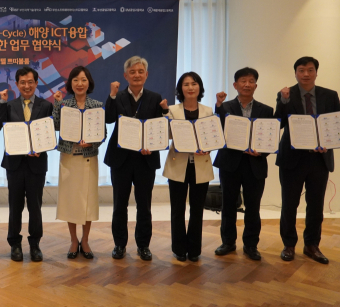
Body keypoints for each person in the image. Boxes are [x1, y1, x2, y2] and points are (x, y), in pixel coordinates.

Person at [275, 57, 340, 264]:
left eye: (310, 70)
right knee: (289, 204)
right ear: (295, 73)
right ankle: (289, 244)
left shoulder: (330, 95)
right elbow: (278, 123)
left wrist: (328, 142)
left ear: (316, 72)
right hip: (292, 158)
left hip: (319, 159)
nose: (306, 74)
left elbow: (336, 125)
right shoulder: (286, 94)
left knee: (316, 205)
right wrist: (283, 101)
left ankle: (312, 245)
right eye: (301, 70)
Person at [105, 56, 165, 261]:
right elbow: (108, 119)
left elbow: (158, 129)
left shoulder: (155, 98)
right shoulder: (118, 96)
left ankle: (143, 245)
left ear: (146, 75)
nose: (137, 75)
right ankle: (119, 244)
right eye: (132, 72)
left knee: (144, 205)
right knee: (119, 204)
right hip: (120, 159)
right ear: (125, 75)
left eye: (140, 72)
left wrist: (152, 147)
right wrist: (112, 96)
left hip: (145, 160)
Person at [213, 67, 274, 261]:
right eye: (243, 81)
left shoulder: (266, 110)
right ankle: (228, 242)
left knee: (253, 207)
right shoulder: (225, 107)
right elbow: (217, 129)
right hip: (230, 163)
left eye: (251, 81)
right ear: (235, 85)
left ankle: (251, 245)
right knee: (228, 205)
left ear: (256, 85)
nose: (247, 84)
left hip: (255, 164)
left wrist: (261, 152)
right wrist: (218, 105)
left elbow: (270, 138)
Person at [0, 66, 53, 262]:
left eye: (30, 82)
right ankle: (15, 244)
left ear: (36, 83)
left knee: (35, 207)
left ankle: (35, 244)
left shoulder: (46, 106)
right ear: (17, 84)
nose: (27, 86)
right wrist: (2, 102)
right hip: (14, 164)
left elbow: (49, 132)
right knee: (15, 206)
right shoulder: (9, 105)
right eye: (23, 82)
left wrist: (42, 148)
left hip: (37, 164)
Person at [53, 66, 105, 259]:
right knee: (71, 201)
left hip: (88, 158)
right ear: (70, 83)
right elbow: (56, 125)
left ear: (88, 82)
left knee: (88, 202)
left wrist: (92, 142)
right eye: (75, 80)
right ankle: (74, 240)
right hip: (69, 158)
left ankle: (85, 240)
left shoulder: (97, 105)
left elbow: (103, 133)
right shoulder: (65, 104)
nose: (79, 84)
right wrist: (57, 104)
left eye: (83, 80)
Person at [162, 72, 214, 262]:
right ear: (180, 89)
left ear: (199, 87)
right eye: (186, 84)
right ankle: (179, 249)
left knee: (197, 210)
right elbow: (167, 135)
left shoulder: (208, 110)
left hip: (200, 165)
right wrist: (164, 114)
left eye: (194, 84)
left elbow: (212, 136)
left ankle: (194, 250)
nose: (190, 87)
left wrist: (208, 147)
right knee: (177, 210)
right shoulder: (172, 110)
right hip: (178, 164)